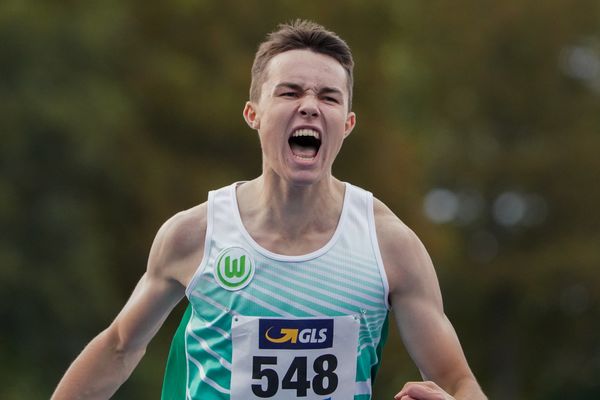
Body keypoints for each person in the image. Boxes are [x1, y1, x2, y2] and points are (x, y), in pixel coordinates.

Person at [52, 20, 487, 400]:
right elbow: (118, 348)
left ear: (347, 124)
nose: (310, 105)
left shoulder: (389, 245)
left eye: (329, 97)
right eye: (290, 92)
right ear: (253, 114)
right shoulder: (195, 235)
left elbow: (457, 380)